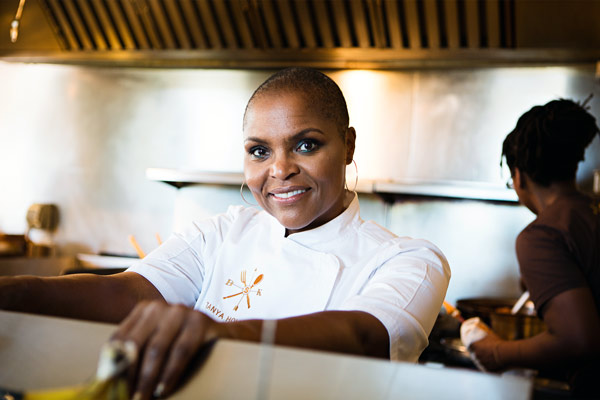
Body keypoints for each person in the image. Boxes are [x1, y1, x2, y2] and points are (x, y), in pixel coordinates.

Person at [0, 67, 450, 400]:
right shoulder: (222, 231)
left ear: (348, 145)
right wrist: (19, 293)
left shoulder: (409, 259)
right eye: (259, 151)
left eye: (306, 144)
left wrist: (219, 335)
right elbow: (130, 293)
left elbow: (363, 337)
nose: (280, 169)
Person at [469, 99, 600, 397]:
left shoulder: (542, 235)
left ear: (518, 175)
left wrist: (498, 353)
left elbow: (578, 339)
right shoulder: (591, 211)